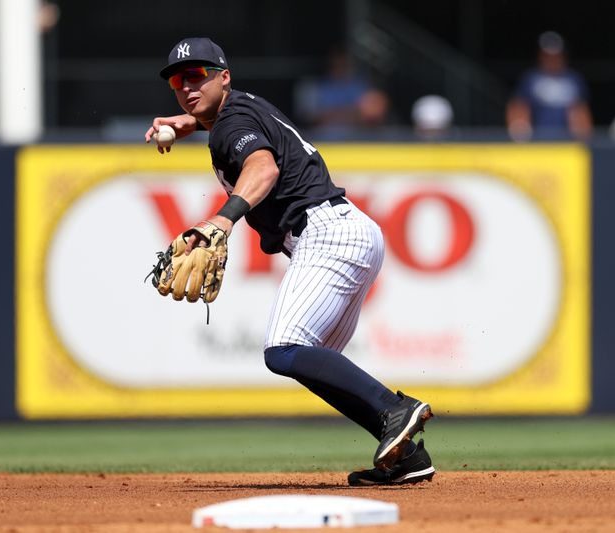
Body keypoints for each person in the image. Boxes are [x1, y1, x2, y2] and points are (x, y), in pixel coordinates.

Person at [145, 37, 434, 486]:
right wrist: (188, 123)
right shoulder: (236, 110)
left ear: (223, 76)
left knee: (283, 350)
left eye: (197, 76)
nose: (187, 86)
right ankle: (406, 458)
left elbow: (262, 168)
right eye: (178, 81)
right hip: (350, 230)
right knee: (317, 363)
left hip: (326, 234)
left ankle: (397, 409)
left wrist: (222, 221)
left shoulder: (229, 124)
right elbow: (225, 120)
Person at [506, 31, 592, 141]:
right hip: (537, 139)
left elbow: (580, 110)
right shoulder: (530, 78)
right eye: (547, 56)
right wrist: (521, 135)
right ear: (541, 56)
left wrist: (582, 137)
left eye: (556, 56)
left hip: (566, 140)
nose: (552, 60)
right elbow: (518, 107)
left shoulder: (573, 79)